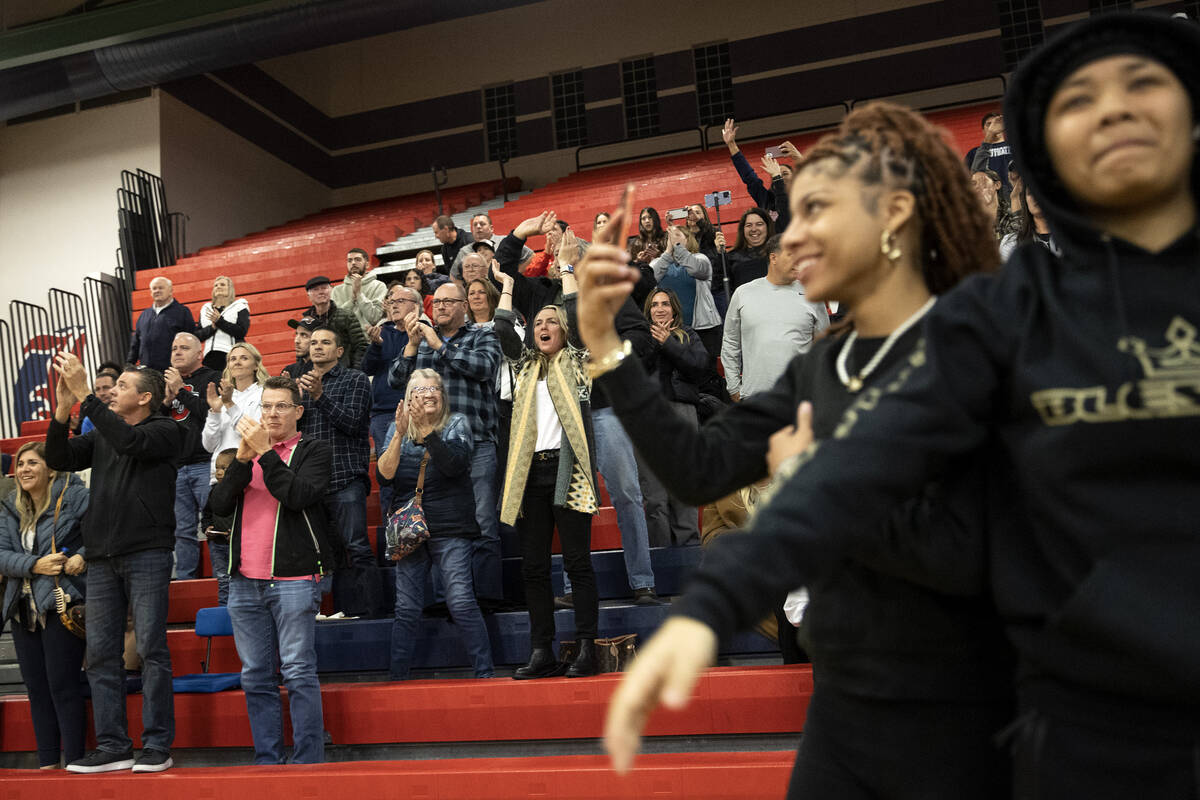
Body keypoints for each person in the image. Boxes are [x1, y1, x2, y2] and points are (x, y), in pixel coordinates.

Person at [605, 13, 1200, 797]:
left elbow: (942, 531)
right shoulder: (1003, 316)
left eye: (1145, 83)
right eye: (1079, 98)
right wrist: (709, 606)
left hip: (972, 703)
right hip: (1049, 728)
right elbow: (835, 476)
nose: (793, 236)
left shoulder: (972, 318)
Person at [585, 101, 1013, 797]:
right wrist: (607, 347)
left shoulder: (986, 343)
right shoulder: (823, 368)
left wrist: (819, 487)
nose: (795, 233)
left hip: (965, 705)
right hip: (847, 706)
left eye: (819, 212)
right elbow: (700, 469)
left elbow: (982, 542)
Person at [497, 219, 660, 606]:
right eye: (556, 259)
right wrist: (523, 230)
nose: (557, 263)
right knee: (566, 498)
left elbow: (643, 340)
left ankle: (642, 580)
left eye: (567, 258)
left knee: (626, 493)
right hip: (559, 415)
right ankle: (573, 588)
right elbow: (503, 268)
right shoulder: (542, 294)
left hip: (604, 408)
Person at [46, 353, 182, 774]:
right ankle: (114, 745)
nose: (111, 391)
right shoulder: (106, 432)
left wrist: (87, 396)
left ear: (144, 397)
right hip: (101, 555)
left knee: (151, 649)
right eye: (110, 386)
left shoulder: (165, 430)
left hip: (147, 552)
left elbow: (129, 442)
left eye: (121, 386)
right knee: (101, 654)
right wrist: (62, 409)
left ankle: (157, 744)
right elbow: (59, 458)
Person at [208, 375, 334, 765]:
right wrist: (243, 460)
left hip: (295, 577)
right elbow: (218, 506)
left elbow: (298, 497)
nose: (272, 413)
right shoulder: (246, 453)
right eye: (266, 406)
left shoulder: (314, 449)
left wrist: (265, 454)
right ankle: (268, 760)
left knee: (297, 671)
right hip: (244, 578)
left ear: (298, 412)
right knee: (255, 675)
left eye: (281, 406)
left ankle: (308, 761)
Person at [493, 264, 599, 679]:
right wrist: (506, 287)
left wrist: (569, 270)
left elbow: (578, 312)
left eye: (552, 321)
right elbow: (503, 329)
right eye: (538, 321)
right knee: (533, 567)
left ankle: (586, 647)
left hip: (567, 470)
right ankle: (543, 650)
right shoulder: (523, 365)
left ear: (564, 330)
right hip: (528, 475)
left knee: (578, 563)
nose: (545, 325)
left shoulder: (577, 361)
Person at [387, 282, 504, 603]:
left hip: (477, 441)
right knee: (439, 524)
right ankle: (447, 599)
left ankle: (486, 598)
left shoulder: (482, 334)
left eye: (447, 302)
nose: (438, 307)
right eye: (435, 302)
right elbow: (396, 380)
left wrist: (439, 345)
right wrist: (412, 346)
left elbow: (484, 367)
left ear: (464, 305)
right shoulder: (421, 341)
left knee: (482, 521)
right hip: (434, 445)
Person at [376, 369, 494, 680]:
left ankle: (485, 673)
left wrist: (428, 431)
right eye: (421, 389)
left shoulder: (456, 424)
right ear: (408, 398)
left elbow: (455, 466)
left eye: (435, 388)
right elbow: (384, 476)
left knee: (460, 601)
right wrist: (400, 435)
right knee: (406, 608)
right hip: (410, 530)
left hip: (451, 526)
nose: (429, 393)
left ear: (443, 396)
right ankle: (397, 678)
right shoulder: (394, 429)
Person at [0, 442, 88, 769]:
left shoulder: (74, 496)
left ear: (50, 468)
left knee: (62, 685)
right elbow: (2, 555)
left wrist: (82, 555)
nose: (24, 469)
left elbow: (100, 531)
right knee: (37, 690)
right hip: (22, 608)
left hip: (59, 603)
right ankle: (48, 763)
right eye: (20, 463)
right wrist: (35, 564)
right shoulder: (10, 507)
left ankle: (76, 761)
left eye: (32, 463)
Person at [298, 326, 376, 617]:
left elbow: (354, 424)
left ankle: (370, 614)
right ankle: (343, 611)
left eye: (326, 342)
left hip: (345, 477)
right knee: (327, 555)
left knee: (357, 547)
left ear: (339, 351)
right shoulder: (301, 385)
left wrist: (320, 397)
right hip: (313, 483)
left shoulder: (354, 379)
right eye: (314, 342)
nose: (317, 347)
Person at [637, 289, 707, 547]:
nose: (660, 308)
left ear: (675, 309)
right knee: (654, 496)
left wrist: (670, 343)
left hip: (682, 414)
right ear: (648, 311)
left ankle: (689, 557)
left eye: (665, 304)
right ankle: (661, 559)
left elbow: (699, 367)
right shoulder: (639, 339)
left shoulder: (688, 335)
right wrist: (656, 344)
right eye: (654, 304)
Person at [721, 235, 829, 401]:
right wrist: (734, 387)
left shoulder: (813, 295)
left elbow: (824, 346)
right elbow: (730, 342)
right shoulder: (743, 293)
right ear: (774, 257)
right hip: (754, 397)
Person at [163, 332, 220, 581]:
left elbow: (211, 415)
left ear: (199, 353)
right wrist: (165, 403)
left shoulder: (212, 378)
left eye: (183, 348)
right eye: (174, 348)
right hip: (176, 466)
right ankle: (186, 580)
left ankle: (223, 579)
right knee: (181, 531)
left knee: (214, 526)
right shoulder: (164, 384)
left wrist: (180, 391)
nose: (177, 352)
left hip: (204, 462)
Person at [362, 283, 418, 519]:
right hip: (384, 413)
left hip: (418, 410)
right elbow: (367, 368)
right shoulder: (382, 333)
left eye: (400, 302)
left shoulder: (425, 331)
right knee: (388, 478)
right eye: (391, 302)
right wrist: (375, 346)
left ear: (415, 306)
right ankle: (393, 538)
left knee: (417, 474)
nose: (394, 306)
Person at [650, 224, 722, 364]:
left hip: (703, 329)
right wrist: (668, 252)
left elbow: (696, 270)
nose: (672, 239)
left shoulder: (701, 258)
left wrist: (679, 248)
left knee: (705, 370)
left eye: (677, 235)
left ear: (688, 239)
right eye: (670, 237)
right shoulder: (658, 262)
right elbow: (651, 278)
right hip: (669, 330)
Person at [201, 341, 268, 479]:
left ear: (256, 365)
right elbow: (209, 445)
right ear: (228, 366)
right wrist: (214, 412)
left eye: (244, 358)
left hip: (251, 471)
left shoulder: (264, 394)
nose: (237, 362)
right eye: (233, 359)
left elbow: (253, 435)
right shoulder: (222, 399)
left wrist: (230, 404)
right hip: (219, 475)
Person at [720, 118, 797, 223]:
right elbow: (750, 178)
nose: (780, 177)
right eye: (776, 174)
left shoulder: (803, 196)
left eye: (784, 173)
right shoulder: (766, 200)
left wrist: (798, 157)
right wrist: (731, 144)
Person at [299, 275, 368, 369]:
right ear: (308, 296)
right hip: (316, 373)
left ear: (331, 290)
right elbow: (301, 351)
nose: (321, 292)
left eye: (324, 288)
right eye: (315, 289)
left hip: (344, 372)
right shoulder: (305, 322)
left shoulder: (346, 315)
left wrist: (355, 371)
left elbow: (360, 346)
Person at [127, 276, 195, 371]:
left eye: (161, 288)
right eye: (154, 288)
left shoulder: (182, 312)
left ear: (171, 291)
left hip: (171, 370)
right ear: (151, 292)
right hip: (147, 371)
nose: (157, 291)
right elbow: (136, 342)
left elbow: (190, 341)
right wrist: (129, 363)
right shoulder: (144, 314)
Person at [199, 448, 238, 605]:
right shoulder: (213, 491)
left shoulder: (243, 492)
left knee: (238, 580)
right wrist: (207, 529)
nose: (219, 473)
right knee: (223, 580)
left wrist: (237, 533)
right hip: (218, 545)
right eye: (217, 468)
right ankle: (224, 611)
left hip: (237, 546)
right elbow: (207, 515)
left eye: (224, 468)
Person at [195, 275, 250, 372]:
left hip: (232, 355)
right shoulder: (205, 308)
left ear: (230, 289)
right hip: (209, 356)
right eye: (215, 285)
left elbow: (241, 332)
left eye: (222, 285)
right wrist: (211, 328)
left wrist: (220, 322)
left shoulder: (240, 306)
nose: (218, 287)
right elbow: (198, 336)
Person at [330, 247, 388, 331]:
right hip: (346, 340)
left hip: (371, 340)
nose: (353, 263)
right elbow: (336, 322)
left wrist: (359, 294)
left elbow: (375, 317)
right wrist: (352, 299)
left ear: (367, 264)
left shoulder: (379, 286)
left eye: (357, 259)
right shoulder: (337, 291)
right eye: (350, 260)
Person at [1000, 182, 1059, 261]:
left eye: (1040, 192)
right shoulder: (1011, 243)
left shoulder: (1072, 239)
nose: (1035, 197)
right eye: (1030, 193)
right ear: (1025, 201)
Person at [722, 207, 775, 293]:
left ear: (768, 227)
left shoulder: (779, 253)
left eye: (759, 224)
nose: (753, 229)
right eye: (749, 225)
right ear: (742, 229)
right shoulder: (731, 257)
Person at [964, 111, 1012, 198]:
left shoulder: (1014, 147)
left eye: (996, 123)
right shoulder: (975, 153)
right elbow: (967, 179)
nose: (993, 126)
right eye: (989, 124)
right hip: (989, 198)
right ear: (983, 130)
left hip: (1015, 198)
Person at [971, 168, 1016, 237]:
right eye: (973, 184)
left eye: (983, 182)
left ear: (997, 185)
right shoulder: (969, 220)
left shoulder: (1013, 215)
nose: (977, 187)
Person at [77, 364, 120, 436]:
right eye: (97, 389)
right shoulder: (89, 421)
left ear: (116, 388)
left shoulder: (128, 412)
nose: (102, 393)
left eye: (106, 387)